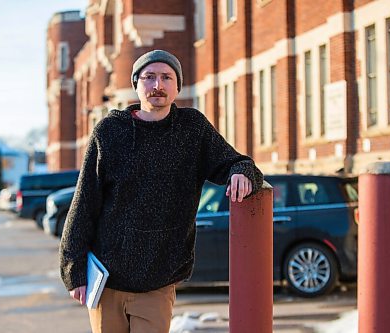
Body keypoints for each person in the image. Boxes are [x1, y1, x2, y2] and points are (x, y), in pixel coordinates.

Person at [59, 49, 264, 333]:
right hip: (107, 279)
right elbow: (85, 201)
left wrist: (242, 173)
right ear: (136, 84)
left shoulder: (192, 129)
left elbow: (235, 162)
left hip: (158, 280)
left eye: (166, 77)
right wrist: (73, 268)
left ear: (177, 86)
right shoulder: (109, 131)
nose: (158, 85)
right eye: (149, 77)